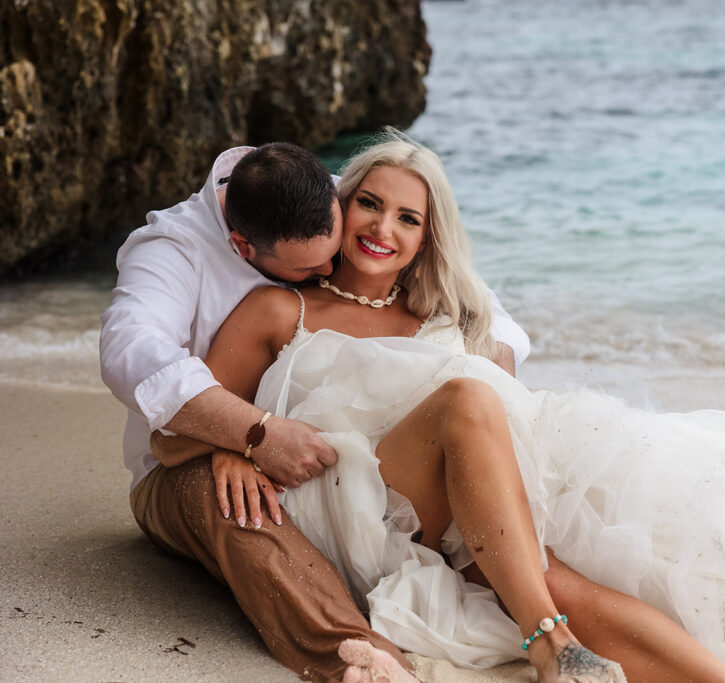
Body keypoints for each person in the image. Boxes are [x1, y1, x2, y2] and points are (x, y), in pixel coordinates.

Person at [156, 132, 725, 681]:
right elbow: (175, 427)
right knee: (464, 401)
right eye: (370, 203)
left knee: (565, 572)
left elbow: (502, 383)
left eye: (409, 219)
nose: (384, 227)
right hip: (351, 500)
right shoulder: (281, 308)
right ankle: (546, 642)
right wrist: (239, 444)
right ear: (339, 206)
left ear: (429, 238)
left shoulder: (442, 319)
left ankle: (585, 649)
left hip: (457, 495)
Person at [99, 142, 531, 682]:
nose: (331, 269)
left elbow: (475, 301)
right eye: (310, 266)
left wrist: (496, 371)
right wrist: (243, 436)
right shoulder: (173, 251)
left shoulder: (320, 196)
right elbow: (131, 354)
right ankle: (354, 655)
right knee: (241, 502)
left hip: (306, 458)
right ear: (244, 247)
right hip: (178, 460)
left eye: (332, 249)